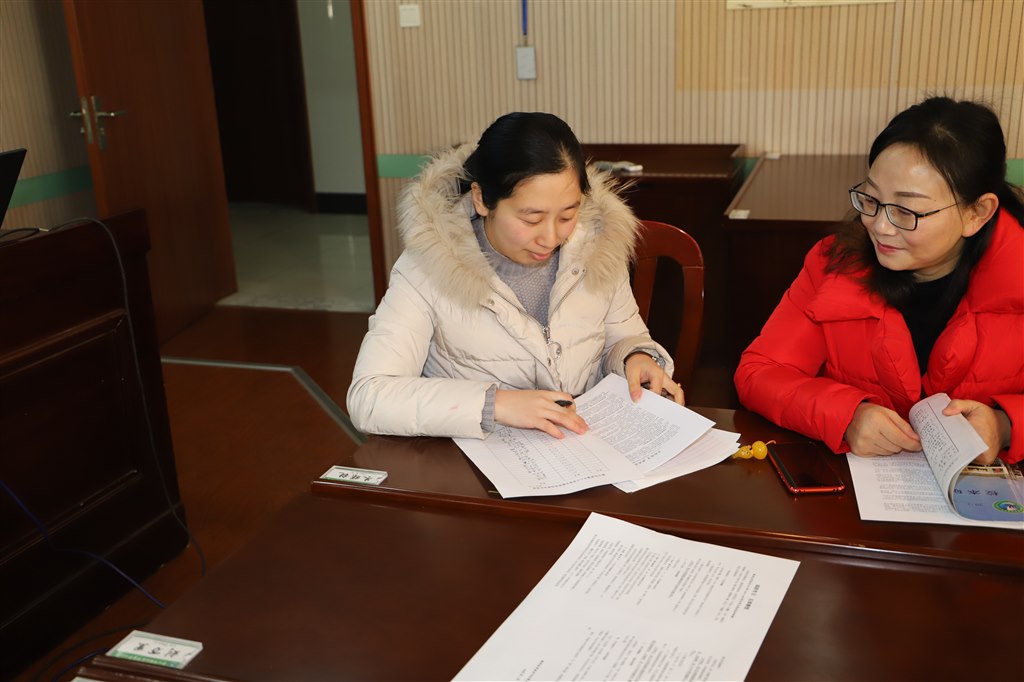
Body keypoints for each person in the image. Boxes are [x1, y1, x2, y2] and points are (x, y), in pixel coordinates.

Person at [347, 112, 682, 439]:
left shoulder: (597, 248)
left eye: (567, 216)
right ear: (482, 199)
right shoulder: (427, 267)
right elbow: (370, 397)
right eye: (531, 219)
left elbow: (622, 337)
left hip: (581, 447)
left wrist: (635, 357)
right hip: (473, 463)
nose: (550, 238)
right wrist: (494, 404)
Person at [735, 97, 1024, 465]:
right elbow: (758, 374)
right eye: (871, 199)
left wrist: (1005, 425)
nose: (880, 226)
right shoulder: (833, 264)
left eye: (906, 210)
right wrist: (846, 416)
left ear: (977, 213)